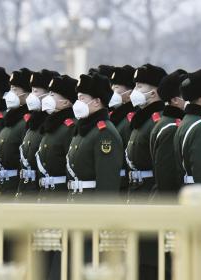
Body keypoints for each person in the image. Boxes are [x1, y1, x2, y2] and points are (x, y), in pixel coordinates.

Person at [66, 73, 123, 202]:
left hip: (90, 205)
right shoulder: (85, 128)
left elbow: (107, 182)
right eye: (77, 98)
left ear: (97, 102)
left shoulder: (104, 132)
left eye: (82, 98)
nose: (77, 103)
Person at [126, 63, 167, 202]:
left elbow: (162, 168)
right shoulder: (142, 119)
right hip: (136, 190)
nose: (134, 91)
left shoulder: (157, 120)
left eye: (139, 86)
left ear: (154, 93)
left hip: (148, 192)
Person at [17, 69, 60, 198]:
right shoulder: (33, 121)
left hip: (40, 191)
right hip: (26, 188)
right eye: (31, 91)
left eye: (36, 91)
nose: (31, 95)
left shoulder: (51, 123)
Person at [36, 74, 77, 202]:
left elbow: (71, 165)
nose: (48, 98)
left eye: (53, 95)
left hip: (60, 194)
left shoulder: (69, 127)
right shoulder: (51, 124)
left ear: (66, 102)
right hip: (46, 193)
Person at [0, 68, 33, 197]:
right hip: (3, 185)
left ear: (27, 93)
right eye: (11, 89)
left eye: (15, 89)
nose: (11, 93)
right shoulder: (10, 118)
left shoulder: (27, 120)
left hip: (15, 185)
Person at [150, 69, 187, 198]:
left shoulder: (169, 122)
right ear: (175, 100)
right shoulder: (172, 128)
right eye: (186, 94)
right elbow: (168, 176)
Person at [108, 65, 136, 198]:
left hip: (126, 184)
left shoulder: (130, 119)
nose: (112, 91)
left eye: (117, 88)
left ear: (130, 94)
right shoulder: (115, 116)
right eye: (112, 87)